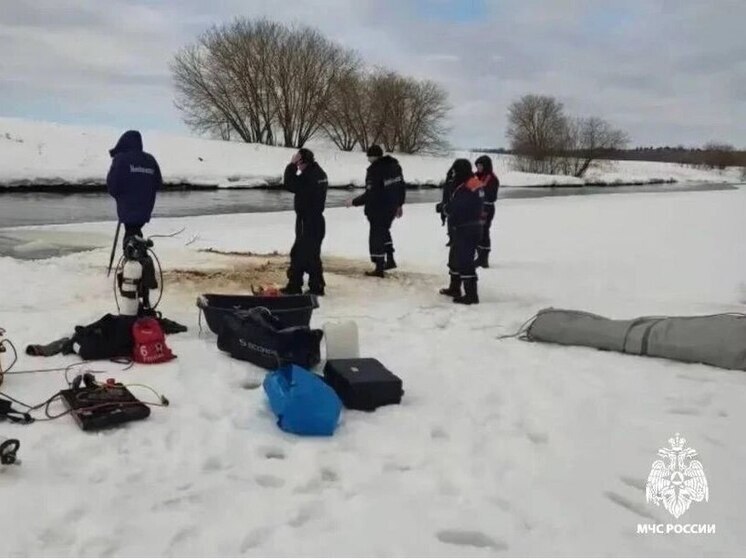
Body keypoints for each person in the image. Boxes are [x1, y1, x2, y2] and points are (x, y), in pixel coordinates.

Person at [347, 145, 405, 277]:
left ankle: (379, 267)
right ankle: (390, 259)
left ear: (374, 156)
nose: (368, 159)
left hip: (378, 208)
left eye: (369, 156)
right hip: (391, 207)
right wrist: (399, 204)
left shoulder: (375, 170)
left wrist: (353, 202)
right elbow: (401, 187)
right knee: (384, 231)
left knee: (376, 236)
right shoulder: (395, 167)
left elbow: (371, 194)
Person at [281, 148, 328, 296]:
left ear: (302, 162)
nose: (297, 166)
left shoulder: (308, 176)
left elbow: (289, 184)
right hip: (316, 220)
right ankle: (311, 284)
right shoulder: (319, 173)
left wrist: (291, 165)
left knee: (300, 253)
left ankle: (301, 286)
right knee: (310, 253)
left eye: (298, 161)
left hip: (307, 221)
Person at [439, 159, 485, 305]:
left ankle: (471, 295)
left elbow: (459, 206)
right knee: (455, 257)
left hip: (467, 227)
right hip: (469, 226)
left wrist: (444, 209)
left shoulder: (467, 186)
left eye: (455, 171)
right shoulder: (474, 182)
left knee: (465, 260)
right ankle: (455, 288)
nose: (453, 174)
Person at [107, 130, 162, 247]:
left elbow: (113, 184)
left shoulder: (121, 159)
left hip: (127, 206)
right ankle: (139, 252)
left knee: (131, 234)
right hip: (146, 206)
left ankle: (134, 254)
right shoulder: (150, 159)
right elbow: (158, 183)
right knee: (135, 231)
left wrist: (119, 196)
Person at [474, 155, 500, 268]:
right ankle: (479, 255)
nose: (478, 167)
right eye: (477, 165)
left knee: (483, 231)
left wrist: (479, 192)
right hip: (476, 208)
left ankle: (483, 258)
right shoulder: (476, 176)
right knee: (477, 230)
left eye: (480, 165)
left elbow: (492, 197)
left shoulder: (492, 179)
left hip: (486, 208)